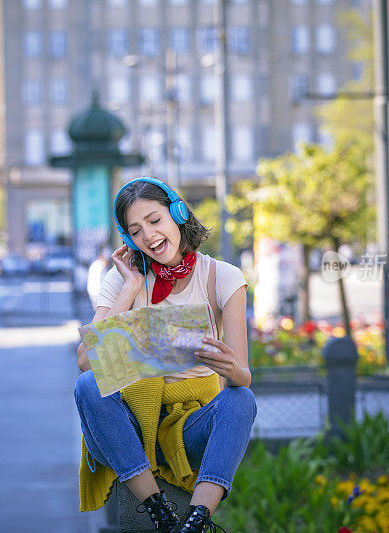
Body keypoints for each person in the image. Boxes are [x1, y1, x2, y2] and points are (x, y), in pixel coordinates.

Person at [74, 177, 256, 532]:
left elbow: (242, 376)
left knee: (242, 399)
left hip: (188, 429)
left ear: (177, 213)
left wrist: (229, 366)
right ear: (128, 239)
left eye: (155, 221)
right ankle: (158, 510)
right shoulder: (121, 278)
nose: (149, 237)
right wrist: (130, 287)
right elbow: (85, 359)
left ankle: (195, 521)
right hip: (124, 429)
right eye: (136, 230)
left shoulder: (222, 277)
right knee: (87, 384)